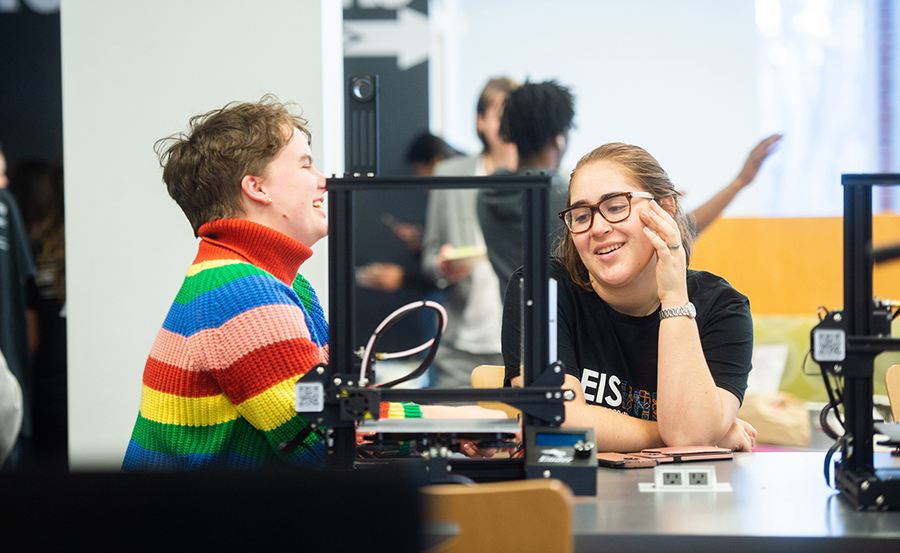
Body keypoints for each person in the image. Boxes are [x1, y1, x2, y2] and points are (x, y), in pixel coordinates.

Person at [122, 96, 494, 471]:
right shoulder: (240, 290)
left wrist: (452, 426)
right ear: (257, 188)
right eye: (306, 165)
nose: (323, 182)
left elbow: (338, 408)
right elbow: (325, 437)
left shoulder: (272, 281)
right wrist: (461, 421)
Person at [503, 143, 757, 452]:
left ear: (664, 208)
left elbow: (690, 437)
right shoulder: (541, 288)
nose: (597, 228)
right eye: (581, 216)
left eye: (615, 207)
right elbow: (556, 421)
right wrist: (686, 434)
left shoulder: (723, 307)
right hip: (571, 493)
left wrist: (675, 298)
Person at [421, 77, 520, 388]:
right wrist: (441, 265)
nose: (508, 124)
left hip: (522, 349)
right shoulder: (449, 175)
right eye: (500, 114)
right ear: (481, 121)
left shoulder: (538, 180)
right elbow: (428, 253)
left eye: (515, 114)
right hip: (459, 349)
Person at [477, 80, 575, 296]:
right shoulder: (568, 198)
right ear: (559, 138)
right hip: (562, 323)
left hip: (513, 321)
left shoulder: (487, 195)